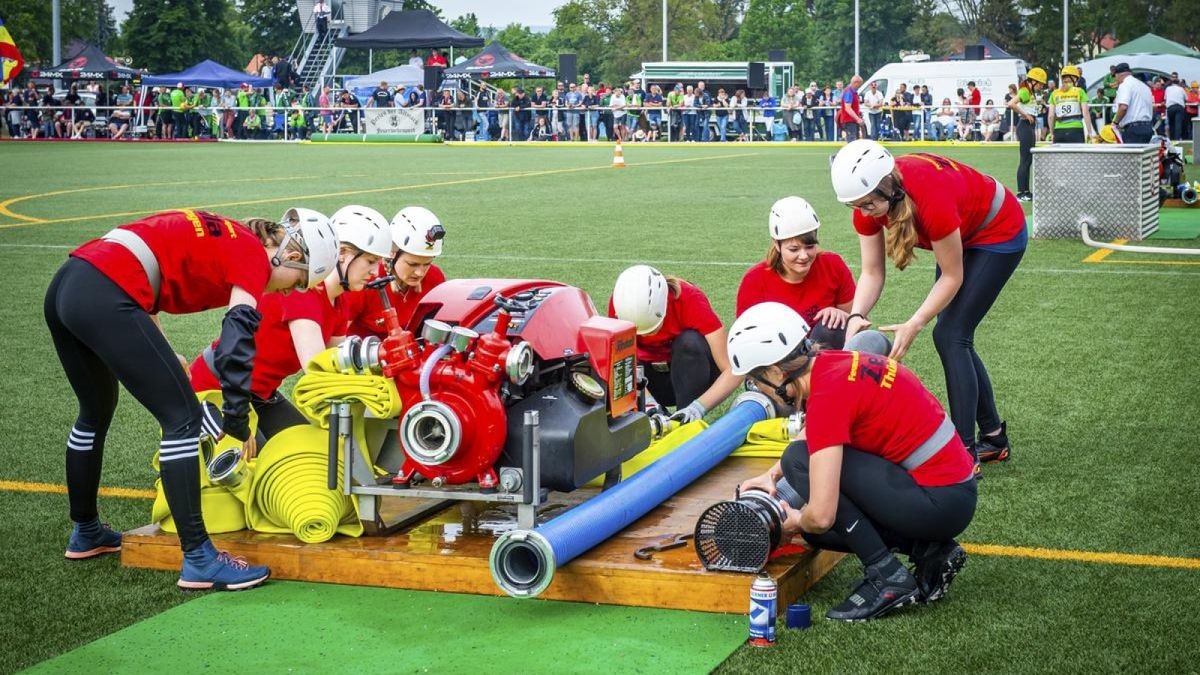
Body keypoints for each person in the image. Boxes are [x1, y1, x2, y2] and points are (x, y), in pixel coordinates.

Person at [45, 207, 339, 589]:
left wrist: (166, 350)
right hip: (105, 289)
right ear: (293, 256)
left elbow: (143, 271)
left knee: (95, 411)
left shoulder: (232, 235)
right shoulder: (253, 255)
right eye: (297, 283)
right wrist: (235, 418)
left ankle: (86, 531)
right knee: (183, 419)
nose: (287, 292)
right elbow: (236, 344)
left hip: (72, 282)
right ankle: (199, 557)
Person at [732, 302, 976, 622]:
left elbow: (820, 515)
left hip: (940, 502)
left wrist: (793, 521)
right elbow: (817, 433)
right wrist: (771, 476)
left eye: (755, 381)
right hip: (950, 493)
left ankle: (888, 576)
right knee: (817, 527)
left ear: (776, 372)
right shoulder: (832, 364)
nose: (760, 390)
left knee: (804, 480)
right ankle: (928, 551)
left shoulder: (826, 397)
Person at [833, 140, 1026, 475]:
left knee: (951, 335)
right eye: (856, 206)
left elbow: (952, 276)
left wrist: (915, 321)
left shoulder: (929, 196)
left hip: (998, 230)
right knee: (954, 335)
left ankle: (964, 457)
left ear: (888, 189)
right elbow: (872, 272)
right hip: (961, 230)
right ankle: (993, 438)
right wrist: (856, 315)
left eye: (867, 205)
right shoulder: (872, 201)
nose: (863, 213)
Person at [189, 206, 391, 442]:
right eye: (370, 261)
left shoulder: (339, 300)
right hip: (217, 390)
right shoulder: (303, 292)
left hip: (260, 394)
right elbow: (316, 368)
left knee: (308, 454)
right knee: (253, 468)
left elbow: (340, 364)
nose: (375, 271)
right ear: (343, 253)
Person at [608, 265, 742, 423]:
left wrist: (697, 407)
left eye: (650, 329)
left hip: (692, 373)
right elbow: (620, 366)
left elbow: (733, 370)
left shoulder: (689, 299)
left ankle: (685, 420)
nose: (644, 336)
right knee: (610, 362)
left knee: (689, 342)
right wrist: (649, 404)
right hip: (647, 378)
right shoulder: (621, 305)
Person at [737, 197, 855, 348]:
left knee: (833, 327)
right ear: (777, 245)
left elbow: (855, 323)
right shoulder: (755, 281)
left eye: (810, 246)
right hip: (781, 360)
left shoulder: (833, 266)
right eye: (794, 249)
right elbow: (745, 340)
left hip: (825, 358)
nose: (804, 256)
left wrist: (841, 315)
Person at [343, 206, 447, 338]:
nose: (420, 273)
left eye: (427, 264)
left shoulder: (434, 277)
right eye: (412, 264)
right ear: (392, 253)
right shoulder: (363, 280)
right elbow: (337, 335)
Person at [1006, 67, 1046, 201]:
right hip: (1024, 126)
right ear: (1033, 81)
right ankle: (1020, 193)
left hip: (1029, 127)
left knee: (1028, 160)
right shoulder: (1024, 92)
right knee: (1025, 160)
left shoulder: (1030, 93)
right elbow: (1011, 103)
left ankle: (1026, 191)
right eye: (1040, 83)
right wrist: (1025, 115)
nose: (1041, 86)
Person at [1047, 65, 1096, 144]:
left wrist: (1052, 133)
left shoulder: (1054, 93)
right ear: (1074, 78)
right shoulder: (1080, 91)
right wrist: (1090, 132)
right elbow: (1086, 113)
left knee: (1060, 156)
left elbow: (1050, 116)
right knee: (1077, 156)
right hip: (1076, 129)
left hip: (1059, 130)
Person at [1112, 63, 1154, 143]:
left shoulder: (1125, 85)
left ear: (1118, 75)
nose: (1115, 79)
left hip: (1133, 130)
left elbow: (1123, 107)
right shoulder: (1144, 86)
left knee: (1132, 155)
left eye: (1115, 77)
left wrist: (1115, 122)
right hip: (1148, 127)